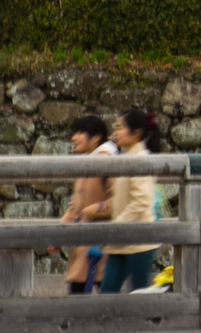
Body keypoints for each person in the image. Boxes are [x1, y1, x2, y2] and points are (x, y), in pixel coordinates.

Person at [97, 110, 163, 293]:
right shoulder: (128, 157)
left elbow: (142, 200)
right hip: (122, 240)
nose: (115, 132)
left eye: (120, 128)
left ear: (136, 133)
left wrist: (118, 224)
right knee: (107, 292)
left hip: (139, 240)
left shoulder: (140, 159)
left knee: (139, 294)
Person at [60, 114, 116, 294]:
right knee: (83, 289)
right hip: (84, 242)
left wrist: (92, 211)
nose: (73, 138)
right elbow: (74, 205)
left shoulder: (107, 161)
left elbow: (118, 201)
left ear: (96, 137)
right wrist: (58, 235)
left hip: (101, 241)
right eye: (74, 133)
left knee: (98, 292)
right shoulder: (87, 162)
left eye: (80, 133)